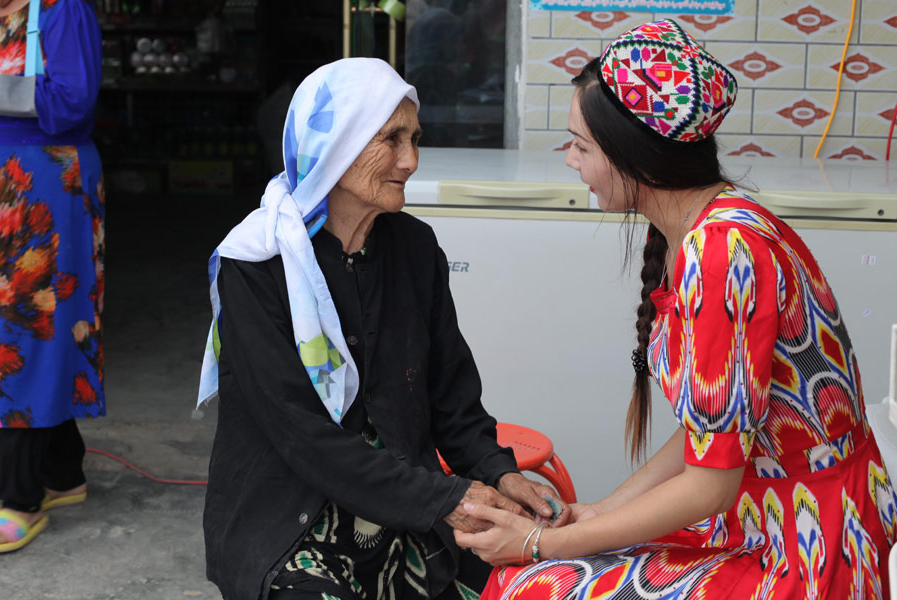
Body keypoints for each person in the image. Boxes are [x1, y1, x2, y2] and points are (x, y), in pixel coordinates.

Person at [454, 19, 897, 599]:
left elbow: (710, 486)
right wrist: (601, 512)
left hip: (810, 544)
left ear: (633, 155)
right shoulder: (710, 227)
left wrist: (541, 544)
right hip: (768, 513)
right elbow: (713, 434)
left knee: (531, 582)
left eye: (581, 146)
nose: (570, 161)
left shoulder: (722, 255)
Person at [197, 57, 569, 600]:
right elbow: (301, 435)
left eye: (414, 139)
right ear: (336, 145)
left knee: (539, 582)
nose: (410, 160)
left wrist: (500, 473)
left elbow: (453, 401)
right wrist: (446, 499)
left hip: (409, 516)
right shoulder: (257, 266)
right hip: (293, 522)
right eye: (391, 139)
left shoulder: (414, 249)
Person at [0, 0, 104, 553]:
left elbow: (70, 103)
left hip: (44, 183)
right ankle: (61, 472)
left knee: (25, 329)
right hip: (5, 181)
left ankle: (19, 498)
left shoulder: (63, 10)